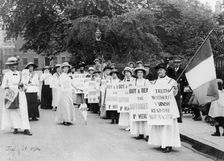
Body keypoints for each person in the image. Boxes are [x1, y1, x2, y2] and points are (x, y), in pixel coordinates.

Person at [148, 63, 181, 153]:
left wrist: (175, 89)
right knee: (160, 125)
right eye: (158, 70)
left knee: (168, 127)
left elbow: (175, 94)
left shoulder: (171, 81)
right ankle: (161, 142)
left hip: (169, 108)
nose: (160, 72)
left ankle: (168, 144)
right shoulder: (154, 82)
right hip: (159, 108)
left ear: (165, 71)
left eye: (161, 70)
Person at [1, 57, 32, 135]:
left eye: (15, 64)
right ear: (8, 66)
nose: (13, 66)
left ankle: (26, 128)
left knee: (23, 110)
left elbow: (25, 84)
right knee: (13, 110)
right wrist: (9, 88)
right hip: (11, 93)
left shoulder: (20, 73)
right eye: (11, 65)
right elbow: (3, 85)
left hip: (20, 93)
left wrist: (23, 86)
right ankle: (15, 127)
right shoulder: (6, 75)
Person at [130, 66, 150, 140]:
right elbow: (131, 92)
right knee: (138, 118)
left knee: (145, 118)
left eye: (141, 72)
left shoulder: (146, 81)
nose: (140, 74)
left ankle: (147, 134)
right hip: (136, 102)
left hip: (144, 102)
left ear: (143, 73)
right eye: (138, 72)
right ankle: (140, 133)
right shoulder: (134, 82)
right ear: (136, 73)